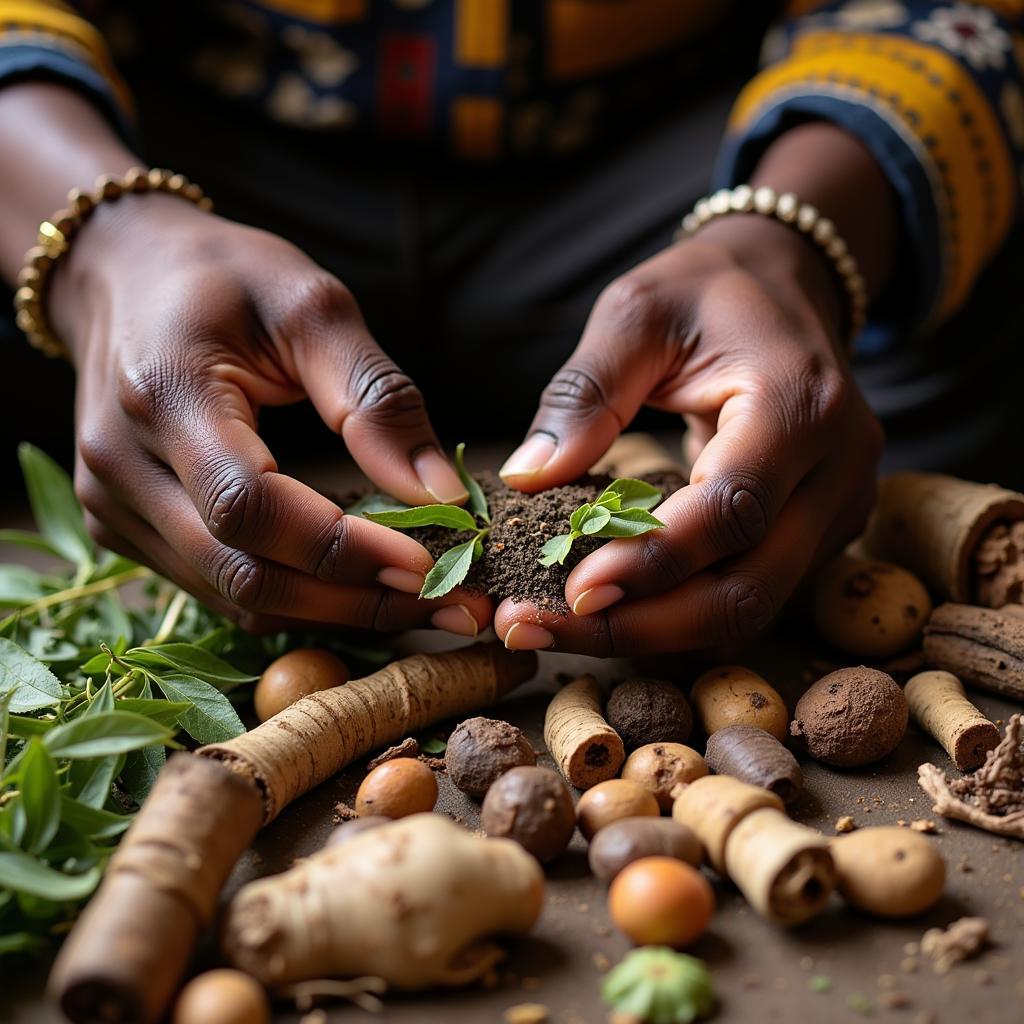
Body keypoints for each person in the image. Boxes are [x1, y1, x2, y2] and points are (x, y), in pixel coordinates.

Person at [1, 1, 1022, 656]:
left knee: (936, 333)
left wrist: (795, 244)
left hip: (674, 163)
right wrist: (99, 244)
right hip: (168, 153)